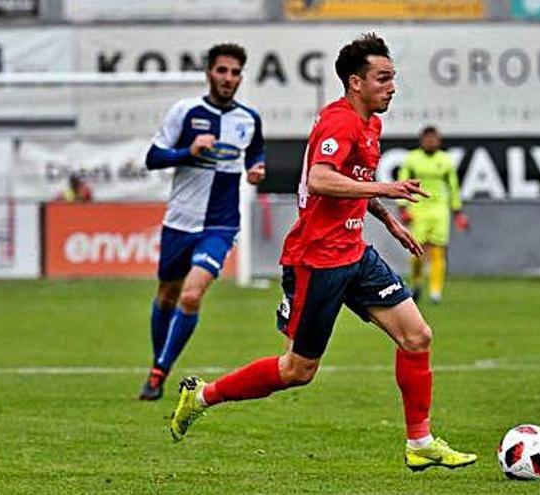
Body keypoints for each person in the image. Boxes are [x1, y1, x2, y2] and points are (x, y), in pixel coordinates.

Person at [169, 33, 477, 472]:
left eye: (394, 78)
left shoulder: (371, 123)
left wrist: (386, 218)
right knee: (298, 370)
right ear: (356, 82)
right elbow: (321, 179)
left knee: (417, 336)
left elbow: (351, 183)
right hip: (317, 260)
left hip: (354, 253)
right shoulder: (340, 122)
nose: (392, 87)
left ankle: (420, 441)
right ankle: (201, 396)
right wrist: (384, 187)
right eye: (383, 78)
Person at [137, 43, 267, 400]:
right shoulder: (186, 111)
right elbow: (152, 158)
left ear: (241, 76)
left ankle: (158, 373)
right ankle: (158, 360)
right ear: (209, 72)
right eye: (222, 70)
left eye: (235, 72)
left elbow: (255, 153)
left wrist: (256, 169)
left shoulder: (249, 119)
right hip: (179, 222)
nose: (228, 78)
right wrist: (187, 152)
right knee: (167, 295)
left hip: (220, 225)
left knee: (191, 296)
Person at [397, 126, 468, 304]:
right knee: (417, 250)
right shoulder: (412, 159)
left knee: (438, 250)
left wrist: (458, 212)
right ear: (422, 140)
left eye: (434, 139)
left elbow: (453, 187)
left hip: (439, 209)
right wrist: (402, 207)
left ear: (438, 141)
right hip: (418, 208)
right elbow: (402, 182)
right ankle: (417, 283)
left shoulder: (445, 160)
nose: (430, 142)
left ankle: (436, 292)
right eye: (427, 139)